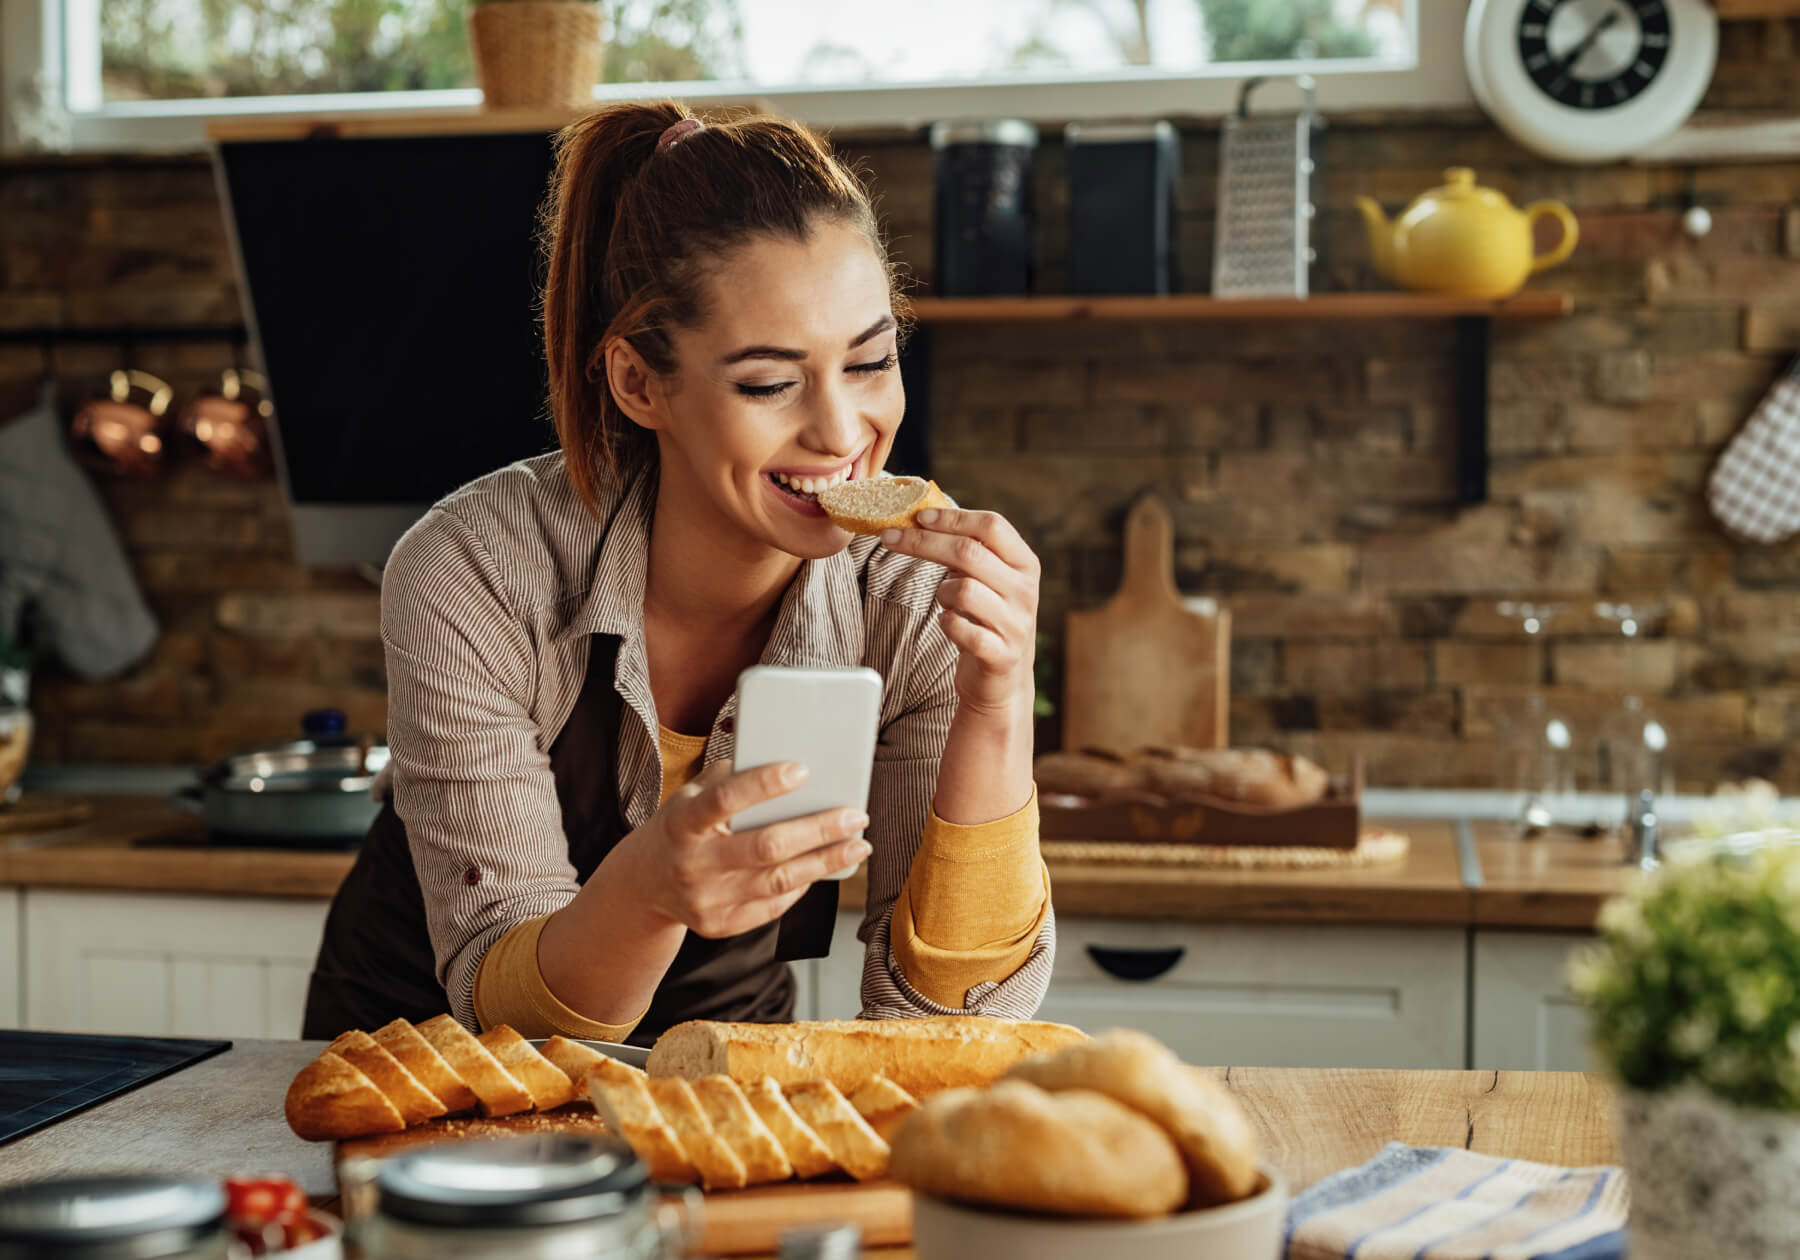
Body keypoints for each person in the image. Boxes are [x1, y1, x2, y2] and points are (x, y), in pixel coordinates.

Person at [302, 102, 1053, 1044]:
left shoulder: (912, 600)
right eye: (769, 383)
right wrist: (652, 887)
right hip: (424, 1063)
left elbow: (946, 1026)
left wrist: (997, 700)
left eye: (870, 362)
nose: (840, 432)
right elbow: (508, 1013)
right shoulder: (473, 569)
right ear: (639, 384)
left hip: (718, 1059)